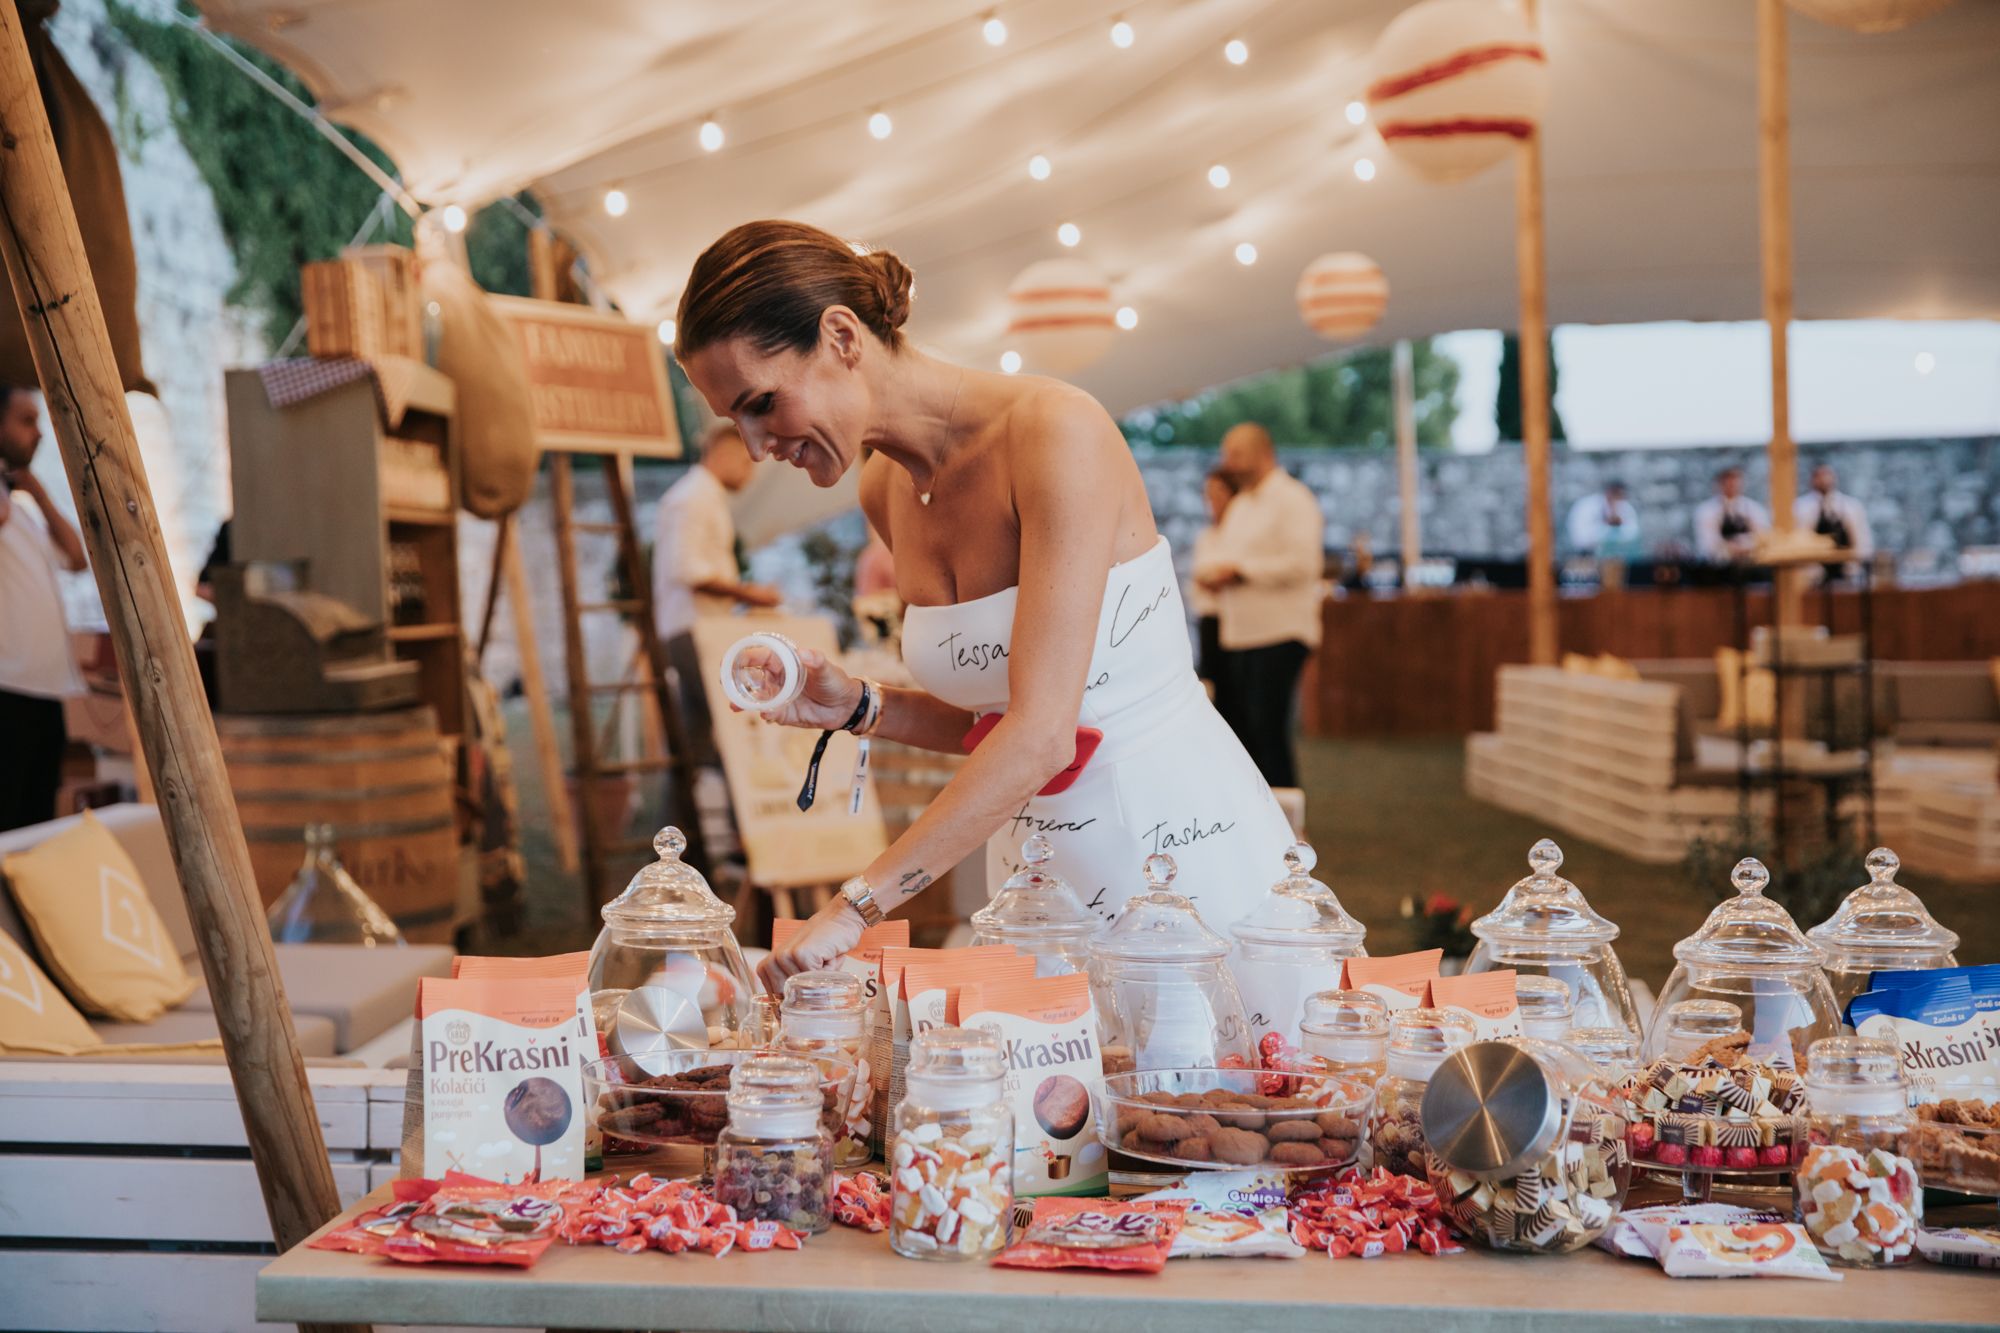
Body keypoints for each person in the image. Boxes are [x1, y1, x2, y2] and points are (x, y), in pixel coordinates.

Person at [672, 220, 1294, 986]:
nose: (758, 442)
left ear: (840, 336)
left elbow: (1044, 737)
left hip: (1172, 856)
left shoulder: (1054, 432)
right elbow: (996, 725)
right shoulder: (883, 489)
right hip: (1034, 880)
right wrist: (860, 704)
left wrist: (858, 903)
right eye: (736, 420)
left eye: (762, 402)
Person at [1192, 424, 1325, 790]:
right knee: (1243, 737)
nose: (1227, 463)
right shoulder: (1242, 507)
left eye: (1234, 454)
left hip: (1279, 633)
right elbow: (1222, 554)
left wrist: (1240, 572)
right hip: (1238, 636)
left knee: (1268, 734)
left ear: (1263, 453)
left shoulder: (1293, 498)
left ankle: (1288, 833)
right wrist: (1214, 574)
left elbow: (1303, 565)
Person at [653, 422, 782, 769]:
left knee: (696, 740)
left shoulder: (703, 497)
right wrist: (749, 594)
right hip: (692, 630)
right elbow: (687, 570)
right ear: (723, 455)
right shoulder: (693, 498)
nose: (751, 475)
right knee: (727, 728)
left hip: (700, 629)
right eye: (747, 462)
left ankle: (685, 818)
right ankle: (724, 814)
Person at [0, 386, 87, 830]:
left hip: (45, 692)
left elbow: (76, 556)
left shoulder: (23, 511)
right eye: (26, 421)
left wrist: (39, 492)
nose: (38, 434)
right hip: (8, 690)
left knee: (37, 826)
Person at [1188, 468, 1235, 711]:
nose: (1213, 499)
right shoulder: (1206, 536)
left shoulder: (1238, 534)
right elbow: (1201, 578)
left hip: (1233, 619)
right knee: (1212, 682)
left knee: (1233, 689)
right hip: (1208, 618)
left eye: (1219, 491)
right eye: (1209, 493)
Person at [1794, 463, 1873, 579]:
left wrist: (1854, 564)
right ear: (1812, 480)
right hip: (1813, 573)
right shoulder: (1800, 507)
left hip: (1846, 570)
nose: (1823, 480)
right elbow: (1798, 542)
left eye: (1827, 475)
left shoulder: (1851, 506)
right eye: (1819, 476)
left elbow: (1862, 540)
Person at [1693, 466, 1768, 562]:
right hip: (1718, 564)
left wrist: (1745, 545)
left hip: (1750, 562)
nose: (1732, 484)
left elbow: (1762, 537)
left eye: (1735, 480)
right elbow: (1708, 542)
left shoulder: (1754, 509)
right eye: (1727, 481)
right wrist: (1731, 548)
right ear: (1719, 484)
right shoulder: (1707, 510)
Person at [1566, 480, 1642, 560]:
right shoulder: (1587, 506)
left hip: (1619, 556)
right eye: (1615, 494)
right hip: (1588, 555)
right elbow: (1581, 536)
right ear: (1608, 493)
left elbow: (1632, 532)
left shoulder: (1625, 507)